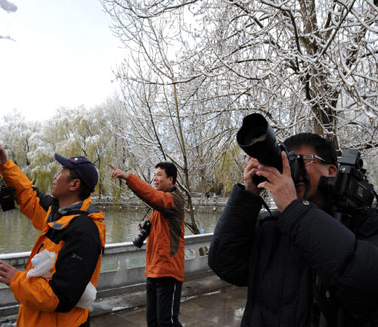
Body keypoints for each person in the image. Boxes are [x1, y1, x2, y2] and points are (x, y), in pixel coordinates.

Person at [208, 133, 378, 326]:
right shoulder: (270, 225)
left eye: (302, 160)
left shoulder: (363, 223)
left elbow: (368, 286)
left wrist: (294, 210)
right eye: (285, 163)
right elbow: (227, 266)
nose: (291, 171)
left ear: (331, 170)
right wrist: (248, 196)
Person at [0, 144, 105, 327]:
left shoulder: (84, 231)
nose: (55, 176)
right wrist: (5, 165)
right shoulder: (57, 212)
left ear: (74, 184)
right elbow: (28, 194)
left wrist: (16, 280)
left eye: (61, 173)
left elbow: (60, 296)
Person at [109, 162, 185, 327]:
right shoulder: (159, 205)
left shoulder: (175, 199)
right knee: (153, 321)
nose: (154, 178)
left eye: (159, 175)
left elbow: (151, 196)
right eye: (154, 174)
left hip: (168, 270)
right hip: (153, 270)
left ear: (171, 179)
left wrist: (128, 177)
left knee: (167, 322)